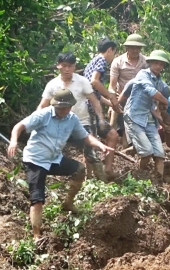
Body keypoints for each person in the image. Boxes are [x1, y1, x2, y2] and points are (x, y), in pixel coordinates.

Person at [8, 89, 114, 241]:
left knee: (79, 169)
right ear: (55, 105)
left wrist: (100, 146)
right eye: (61, 108)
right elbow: (19, 126)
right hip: (35, 160)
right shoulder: (43, 115)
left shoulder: (72, 119)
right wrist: (13, 141)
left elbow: (85, 137)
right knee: (37, 199)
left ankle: (68, 203)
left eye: (67, 107)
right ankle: (36, 235)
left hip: (54, 159)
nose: (64, 111)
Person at [37, 52, 108, 181]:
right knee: (50, 150)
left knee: (91, 153)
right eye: (64, 66)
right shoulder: (52, 85)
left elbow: (94, 101)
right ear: (58, 66)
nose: (67, 69)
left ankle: (101, 182)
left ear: (74, 66)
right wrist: (36, 122)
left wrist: (101, 119)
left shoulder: (82, 82)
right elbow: (43, 105)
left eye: (70, 66)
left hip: (81, 122)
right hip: (59, 123)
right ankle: (48, 177)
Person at [122, 50, 170, 179]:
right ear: (150, 63)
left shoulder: (161, 83)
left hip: (149, 119)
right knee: (147, 152)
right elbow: (151, 91)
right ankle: (139, 177)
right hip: (134, 117)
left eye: (161, 64)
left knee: (160, 154)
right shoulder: (143, 74)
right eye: (156, 63)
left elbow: (158, 102)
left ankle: (159, 181)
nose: (158, 66)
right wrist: (165, 101)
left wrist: (162, 111)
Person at [83, 37, 120, 179]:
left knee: (110, 136)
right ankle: (94, 175)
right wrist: (111, 96)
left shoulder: (91, 62)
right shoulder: (101, 61)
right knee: (92, 141)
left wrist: (112, 104)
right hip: (89, 110)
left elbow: (94, 91)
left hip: (89, 106)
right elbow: (95, 82)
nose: (113, 57)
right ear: (110, 50)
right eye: (114, 53)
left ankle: (104, 170)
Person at [108, 34, 148, 148]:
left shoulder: (145, 62)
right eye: (132, 47)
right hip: (122, 98)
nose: (135, 50)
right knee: (122, 126)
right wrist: (112, 100)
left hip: (140, 100)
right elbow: (112, 85)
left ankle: (134, 151)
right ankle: (114, 148)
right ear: (127, 47)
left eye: (138, 47)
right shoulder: (118, 62)